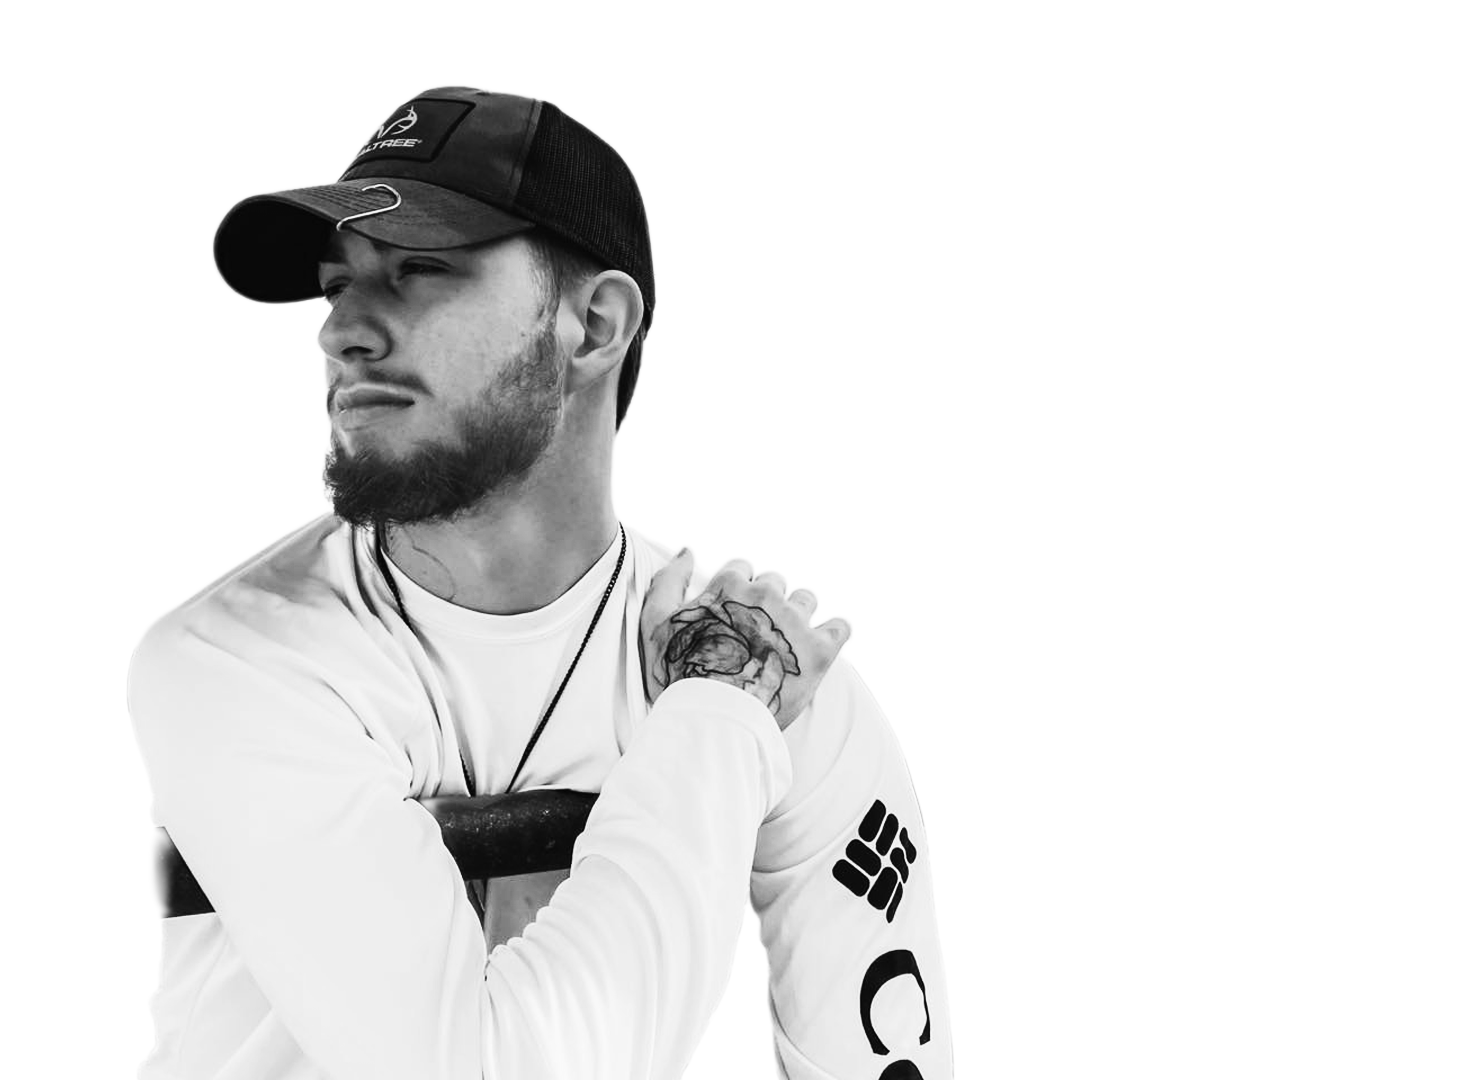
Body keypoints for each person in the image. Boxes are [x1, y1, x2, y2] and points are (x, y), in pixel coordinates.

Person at [131, 83, 954, 1079]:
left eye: (418, 270)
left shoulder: (781, 675)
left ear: (596, 326)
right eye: (337, 282)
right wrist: (717, 721)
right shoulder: (233, 664)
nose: (339, 331)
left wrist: (718, 713)